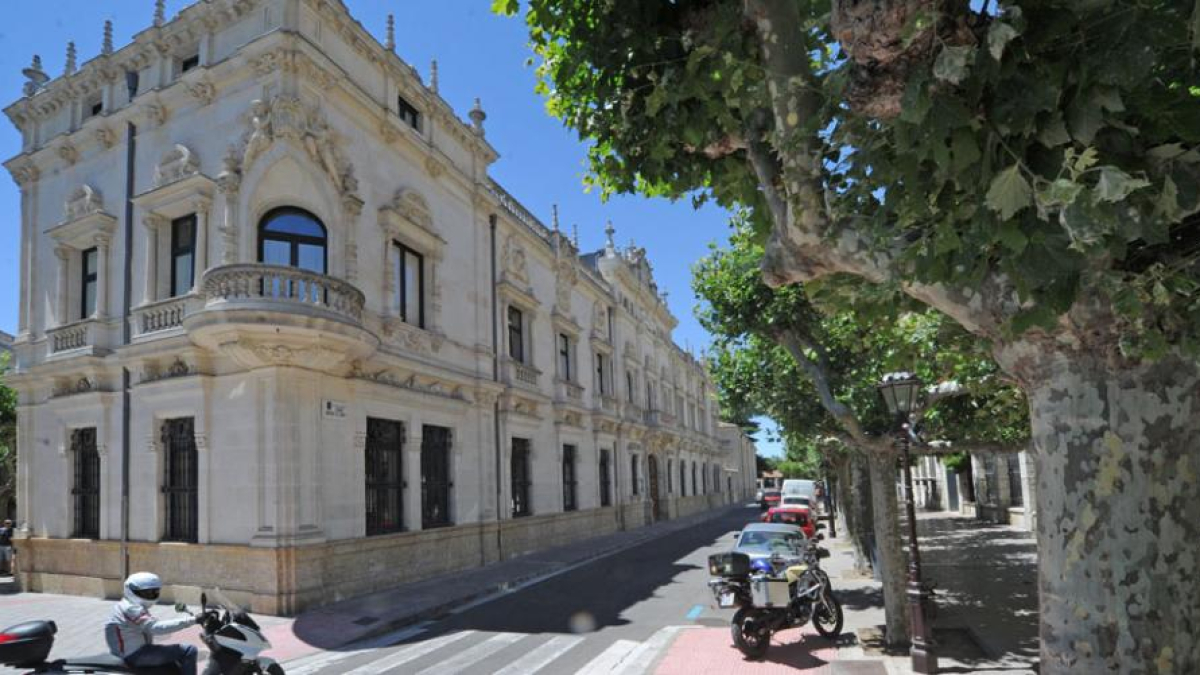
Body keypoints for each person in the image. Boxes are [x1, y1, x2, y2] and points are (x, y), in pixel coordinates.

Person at [105, 572, 209, 675]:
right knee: (189, 650)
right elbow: (156, 628)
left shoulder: (127, 605)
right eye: (147, 593)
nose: (152, 595)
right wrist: (193, 620)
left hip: (131, 652)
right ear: (132, 591)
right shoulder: (131, 608)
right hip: (135, 655)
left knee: (172, 662)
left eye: (154, 592)